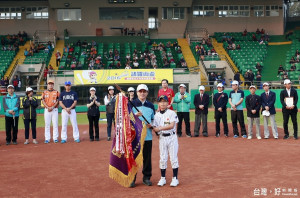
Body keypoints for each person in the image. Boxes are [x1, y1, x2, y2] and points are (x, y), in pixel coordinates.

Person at [130, 84, 155, 187]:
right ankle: (132, 178)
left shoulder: (151, 105)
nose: (142, 93)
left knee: (147, 158)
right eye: (140, 91)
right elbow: (127, 119)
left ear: (147, 93)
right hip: (135, 137)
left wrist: (152, 125)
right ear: (137, 93)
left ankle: (146, 177)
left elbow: (154, 119)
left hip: (147, 136)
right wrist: (135, 115)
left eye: (144, 91)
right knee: (134, 157)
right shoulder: (132, 104)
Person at [152, 95, 179, 187]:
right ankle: (163, 178)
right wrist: (156, 131)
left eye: (164, 101)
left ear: (168, 103)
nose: (162, 103)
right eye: (160, 102)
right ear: (158, 103)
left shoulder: (172, 113)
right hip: (162, 138)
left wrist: (159, 128)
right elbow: (154, 127)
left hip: (172, 137)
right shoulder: (156, 115)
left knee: (173, 158)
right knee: (162, 158)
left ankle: (175, 178)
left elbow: (171, 125)